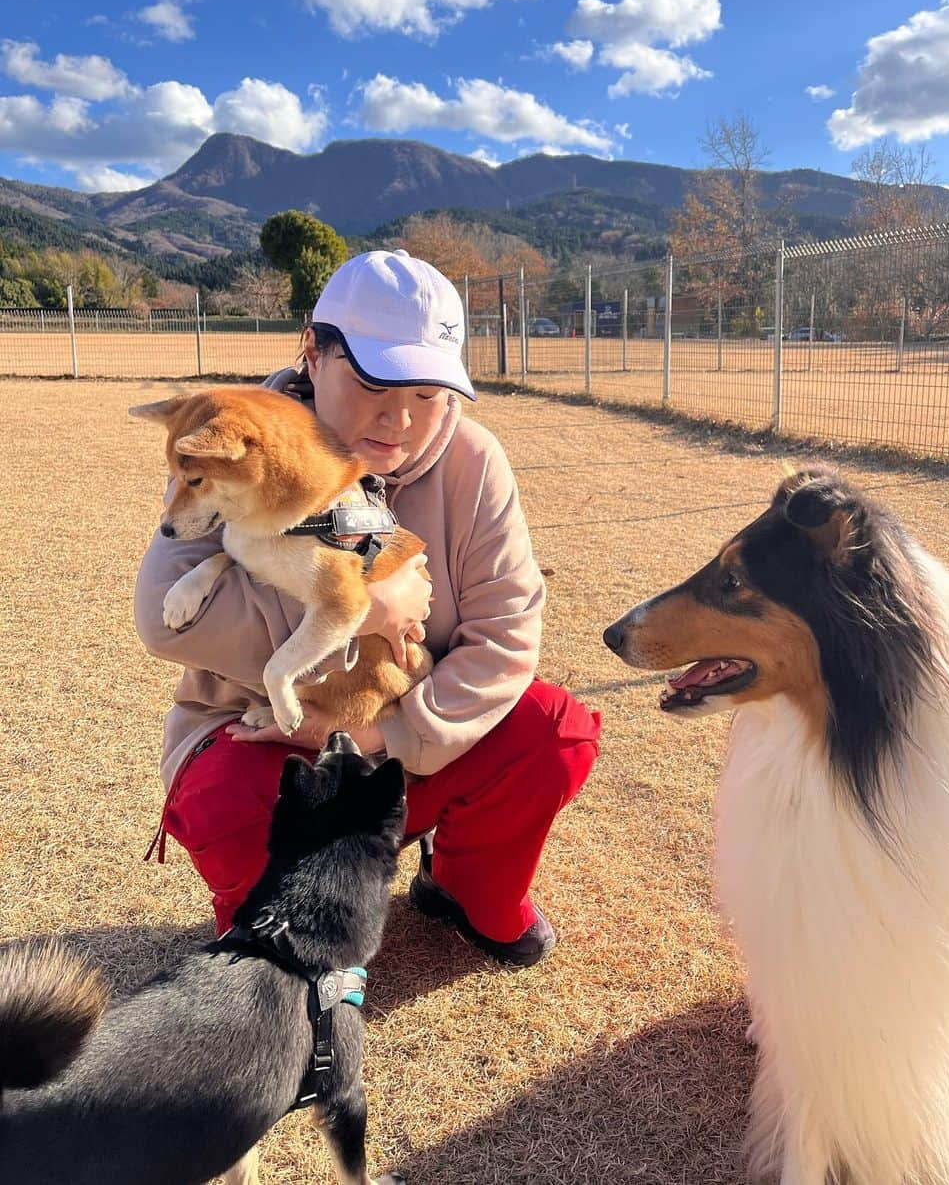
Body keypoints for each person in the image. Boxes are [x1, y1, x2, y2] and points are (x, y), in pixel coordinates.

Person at [135, 249, 601, 967]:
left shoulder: (473, 461)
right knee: (230, 805)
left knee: (555, 732)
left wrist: (378, 735)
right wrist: (367, 607)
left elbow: (506, 633)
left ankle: (467, 888)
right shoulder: (235, 438)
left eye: (429, 394)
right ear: (313, 353)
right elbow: (166, 619)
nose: (400, 420)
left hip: (405, 732)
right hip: (267, 740)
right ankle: (265, 936)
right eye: (375, 383)